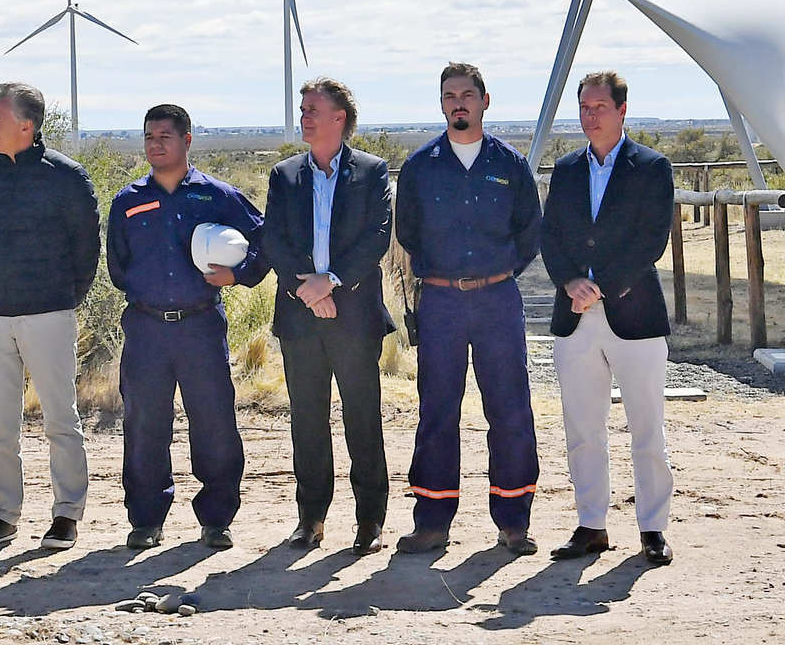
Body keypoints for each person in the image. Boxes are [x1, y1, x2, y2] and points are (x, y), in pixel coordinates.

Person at [394, 62, 542, 556]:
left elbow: (529, 234)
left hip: (498, 300)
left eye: (466, 94)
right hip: (439, 301)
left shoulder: (510, 165)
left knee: (510, 409)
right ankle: (432, 522)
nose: (458, 102)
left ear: (484, 100)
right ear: (441, 104)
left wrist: (497, 275)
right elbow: (408, 233)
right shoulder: (420, 167)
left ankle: (513, 520)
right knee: (437, 410)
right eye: (449, 95)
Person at [107, 103, 266, 551]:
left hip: (200, 327)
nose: (156, 145)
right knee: (144, 426)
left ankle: (216, 519)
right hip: (146, 328)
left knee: (214, 423)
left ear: (187, 141)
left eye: (165, 137)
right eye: (149, 138)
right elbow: (118, 264)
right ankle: (145, 519)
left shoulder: (215, 195)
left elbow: (264, 239)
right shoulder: (128, 200)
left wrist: (238, 275)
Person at [540, 71, 677, 566]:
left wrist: (603, 286)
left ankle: (653, 528)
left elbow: (651, 241)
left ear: (622, 110)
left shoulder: (652, 167)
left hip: (634, 314)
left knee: (647, 427)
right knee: (582, 427)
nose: (590, 115)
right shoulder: (568, 169)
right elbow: (549, 235)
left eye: (599, 106)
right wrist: (569, 282)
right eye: (584, 107)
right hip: (574, 317)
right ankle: (591, 524)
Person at [0, 83, 100, 551]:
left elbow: (87, 248)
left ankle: (66, 514)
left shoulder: (67, 176)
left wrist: (64, 298)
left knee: (61, 419)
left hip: (49, 314)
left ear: (27, 124)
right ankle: (3, 515)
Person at [262, 78, 393, 555]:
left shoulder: (372, 172)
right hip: (301, 316)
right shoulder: (284, 175)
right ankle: (310, 520)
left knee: (363, 419)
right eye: (303, 108)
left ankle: (369, 522)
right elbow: (272, 238)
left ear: (340, 118)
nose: (304, 116)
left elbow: (376, 237)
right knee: (307, 421)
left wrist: (332, 281)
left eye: (313, 109)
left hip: (354, 315)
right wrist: (309, 289)